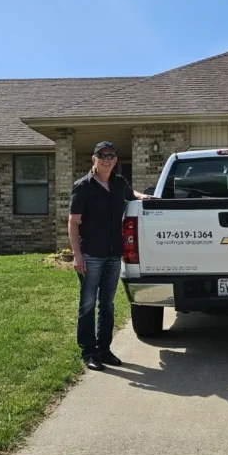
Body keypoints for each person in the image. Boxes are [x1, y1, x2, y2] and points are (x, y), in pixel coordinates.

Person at [69, 141, 152, 371]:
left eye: (111, 156)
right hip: (91, 254)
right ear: (93, 159)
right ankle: (89, 352)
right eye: (101, 155)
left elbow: (130, 194)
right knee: (87, 304)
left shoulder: (119, 183)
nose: (106, 159)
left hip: (114, 254)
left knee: (107, 304)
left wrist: (143, 198)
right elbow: (73, 222)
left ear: (115, 160)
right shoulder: (82, 186)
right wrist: (77, 255)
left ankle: (103, 349)